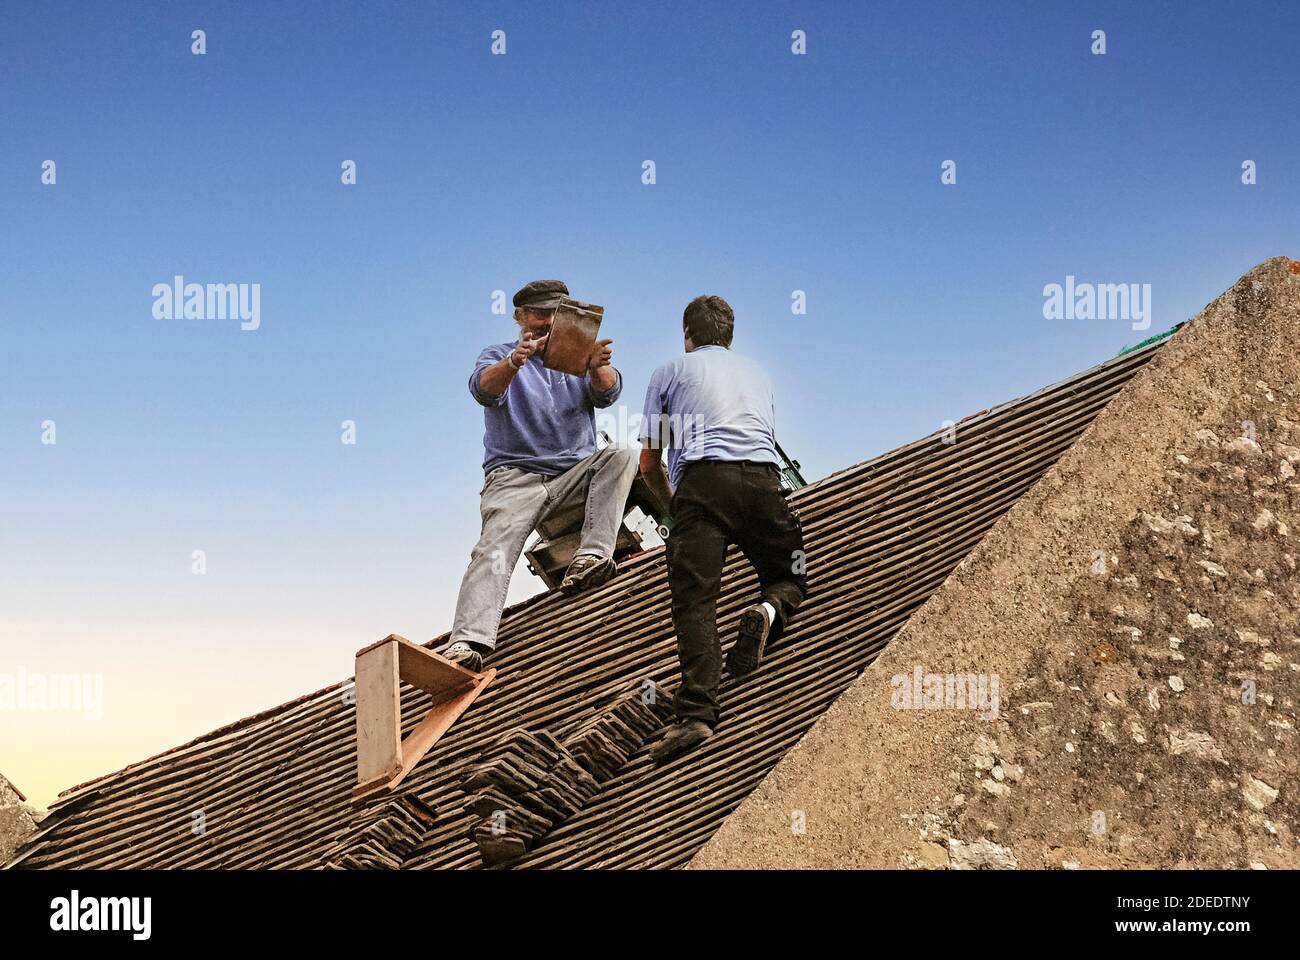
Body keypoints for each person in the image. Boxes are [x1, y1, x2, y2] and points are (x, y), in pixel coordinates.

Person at [638, 295, 808, 760]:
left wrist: (675, 511)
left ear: (686, 334)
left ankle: (696, 716)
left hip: (700, 482)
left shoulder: (669, 371)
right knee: (788, 574)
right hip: (761, 480)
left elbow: (649, 463)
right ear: (729, 336)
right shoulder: (760, 375)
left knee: (696, 602)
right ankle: (769, 611)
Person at [440, 280, 638, 672]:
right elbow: (484, 390)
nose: (547, 321)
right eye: (539, 313)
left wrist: (599, 368)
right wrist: (515, 361)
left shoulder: (575, 356)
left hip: (572, 473)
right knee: (492, 549)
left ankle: (591, 556)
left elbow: (608, 393)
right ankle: (466, 642)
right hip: (515, 479)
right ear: (520, 317)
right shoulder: (498, 354)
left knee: (621, 455)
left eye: (554, 313)